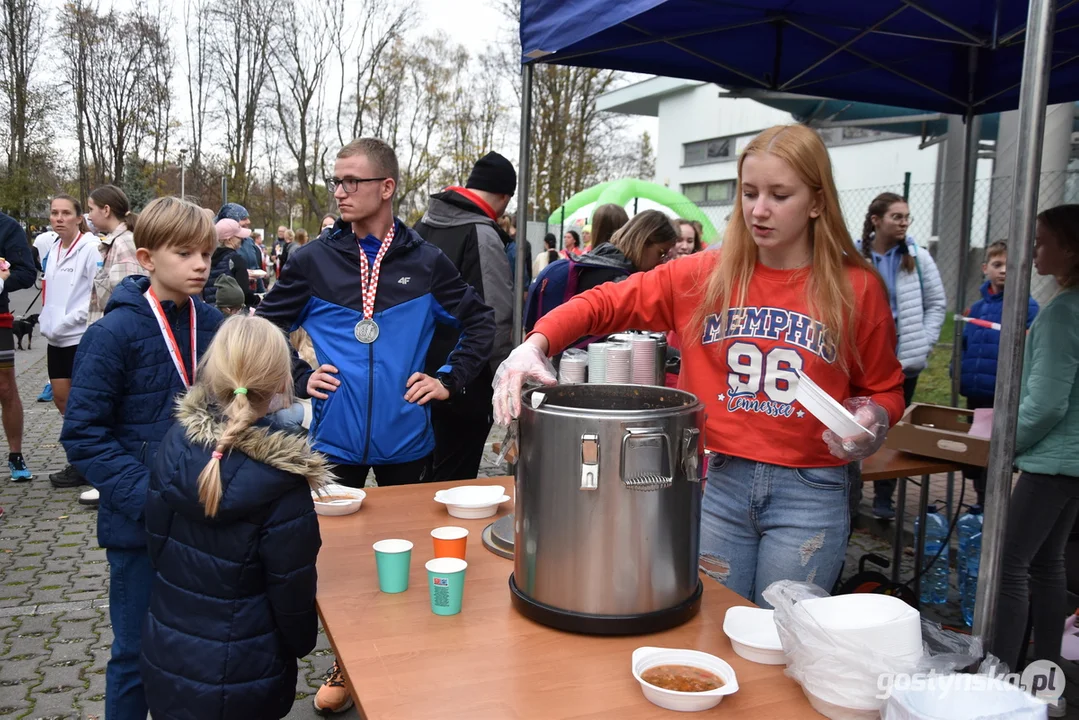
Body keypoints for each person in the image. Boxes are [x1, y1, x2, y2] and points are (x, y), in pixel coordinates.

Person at [496, 124, 905, 607]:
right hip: (720, 479)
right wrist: (536, 342)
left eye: (780, 194)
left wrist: (874, 418)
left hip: (811, 487)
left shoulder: (856, 287)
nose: (759, 209)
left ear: (817, 201)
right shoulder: (704, 274)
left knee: (787, 633)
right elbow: (603, 303)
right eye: (749, 193)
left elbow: (885, 388)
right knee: (716, 626)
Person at [257, 138, 494, 714]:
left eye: (351, 182)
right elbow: (263, 327)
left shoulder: (425, 261)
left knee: (403, 557)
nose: (339, 191)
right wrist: (295, 373)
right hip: (333, 438)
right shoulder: (312, 260)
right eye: (335, 181)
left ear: (386, 188)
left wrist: (446, 380)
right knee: (333, 562)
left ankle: (406, 658)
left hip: (406, 439)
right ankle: (345, 657)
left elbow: (480, 322)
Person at [60, 196, 223, 720]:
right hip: (141, 529)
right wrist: (147, 497)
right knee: (134, 654)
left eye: (207, 253)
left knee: (197, 648)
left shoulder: (214, 321)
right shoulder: (113, 333)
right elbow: (84, 435)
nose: (201, 264)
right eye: (186, 253)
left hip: (206, 520)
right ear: (149, 258)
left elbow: (242, 393)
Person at [140, 315, 324, 720]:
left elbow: (157, 542)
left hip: (169, 650)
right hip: (246, 666)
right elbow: (290, 586)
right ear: (281, 381)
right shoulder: (282, 480)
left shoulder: (175, 442)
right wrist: (299, 643)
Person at [991, 205, 1079, 716]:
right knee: (1048, 566)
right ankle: (1047, 680)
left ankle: (998, 677)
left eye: (1042, 242)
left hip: (1051, 462)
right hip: (1071, 463)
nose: (1034, 251)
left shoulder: (1064, 311)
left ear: (1070, 249)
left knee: (1011, 566)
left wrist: (1006, 448)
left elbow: (1046, 402)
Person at [414, 152, 517, 482]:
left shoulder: (420, 227)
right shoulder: (482, 235)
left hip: (416, 378)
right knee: (453, 484)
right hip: (464, 383)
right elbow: (497, 317)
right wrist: (503, 379)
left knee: (422, 481)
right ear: (503, 196)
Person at [859, 191, 946, 520]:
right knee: (855, 426)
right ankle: (852, 491)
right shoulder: (854, 255)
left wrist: (924, 341)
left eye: (907, 217)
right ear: (876, 220)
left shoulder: (919, 258)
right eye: (897, 216)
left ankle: (884, 496)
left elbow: (937, 304)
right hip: (862, 362)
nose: (904, 222)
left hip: (902, 363)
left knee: (890, 428)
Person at [959, 240, 1039, 507]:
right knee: (974, 453)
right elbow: (965, 344)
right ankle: (980, 498)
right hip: (976, 391)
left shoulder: (1026, 307)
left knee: (995, 453)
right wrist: (959, 373)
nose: (1003, 270)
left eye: (1010, 265)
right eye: (997, 264)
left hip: (1002, 394)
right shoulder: (976, 308)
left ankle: (991, 504)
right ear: (985, 268)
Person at [524, 210, 676, 335]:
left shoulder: (595, 259)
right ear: (643, 242)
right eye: (661, 253)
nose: (662, 262)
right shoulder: (621, 281)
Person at [41, 195, 99, 489]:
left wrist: (71, 319)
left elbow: (94, 292)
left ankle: (88, 462)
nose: (59, 218)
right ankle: (81, 457)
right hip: (55, 338)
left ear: (79, 218)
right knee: (62, 399)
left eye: (66, 213)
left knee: (83, 401)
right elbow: (51, 289)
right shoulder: (53, 247)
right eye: (54, 213)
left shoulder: (90, 248)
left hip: (80, 335)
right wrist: (46, 320)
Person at [0, 212, 38, 482]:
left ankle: (15, 455)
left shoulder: (7, 226)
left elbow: (26, 273)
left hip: (0, 318)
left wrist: (1, 280)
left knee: (5, 387)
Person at [87, 185, 148, 324]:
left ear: (106, 210)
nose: (89, 216)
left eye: (91, 209)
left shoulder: (123, 244)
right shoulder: (117, 242)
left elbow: (128, 305)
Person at [204, 219, 260, 308]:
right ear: (229, 240)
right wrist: (258, 299)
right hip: (232, 312)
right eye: (239, 237)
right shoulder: (236, 259)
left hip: (211, 310)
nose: (242, 239)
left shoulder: (208, 258)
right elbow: (243, 292)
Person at [217, 202, 264, 293]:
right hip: (232, 297)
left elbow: (256, 268)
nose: (248, 222)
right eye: (244, 218)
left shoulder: (249, 241)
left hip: (252, 295)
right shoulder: (218, 247)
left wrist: (261, 293)